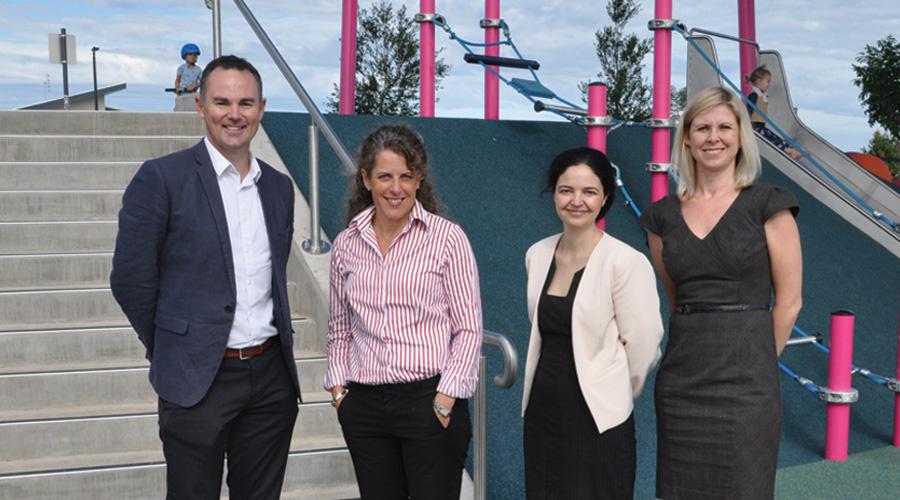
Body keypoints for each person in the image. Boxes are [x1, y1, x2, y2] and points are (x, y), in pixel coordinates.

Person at [110, 55, 301, 500]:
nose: (234, 114)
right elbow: (131, 281)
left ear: (261, 108)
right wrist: (177, 345)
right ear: (200, 106)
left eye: (246, 103)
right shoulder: (162, 178)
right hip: (197, 379)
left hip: (270, 379)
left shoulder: (278, 187)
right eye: (222, 102)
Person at [640, 86, 803, 500]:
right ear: (687, 140)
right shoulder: (662, 216)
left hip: (749, 384)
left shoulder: (769, 203)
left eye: (725, 127)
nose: (713, 137)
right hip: (682, 383)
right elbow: (676, 299)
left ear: (740, 137)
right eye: (702, 128)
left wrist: (760, 360)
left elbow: (789, 301)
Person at [324, 123, 483, 500]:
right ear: (365, 179)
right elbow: (339, 328)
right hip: (363, 407)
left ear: (419, 179)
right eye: (384, 176)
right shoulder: (347, 243)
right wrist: (339, 392)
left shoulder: (447, 238)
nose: (395, 188)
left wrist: (444, 401)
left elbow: (469, 329)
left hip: (428, 402)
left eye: (405, 177)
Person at [521, 147, 664, 499]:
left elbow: (645, 346)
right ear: (553, 193)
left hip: (598, 418)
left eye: (589, 192)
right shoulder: (537, 254)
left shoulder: (625, 262)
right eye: (566, 190)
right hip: (542, 413)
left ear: (605, 199)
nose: (576, 201)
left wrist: (612, 390)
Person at [744, 65, 804, 159]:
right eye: (767, 81)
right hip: (755, 126)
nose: (769, 84)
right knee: (772, 138)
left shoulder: (761, 96)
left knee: (776, 137)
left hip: (760, 126)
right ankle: (790, 151)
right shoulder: (754, 96)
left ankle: (792, 149)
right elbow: (748, 111)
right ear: (759, 81)